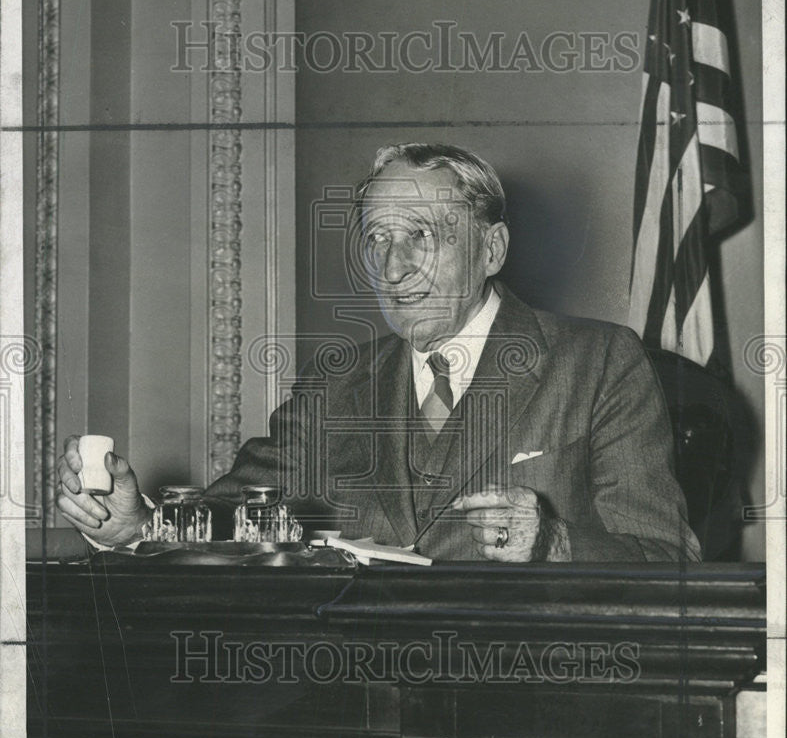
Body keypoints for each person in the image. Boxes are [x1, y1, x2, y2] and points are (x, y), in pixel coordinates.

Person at [56, 143, 702, 562]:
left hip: (530, 698)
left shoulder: (598, 363)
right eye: (377, 239)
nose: (393, 267)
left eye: (422, 235)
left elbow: (668, 559)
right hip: (351, 697)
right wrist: (134, 527)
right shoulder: (338, 383)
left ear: (491, 249)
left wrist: (555, 542)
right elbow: (236, 516)